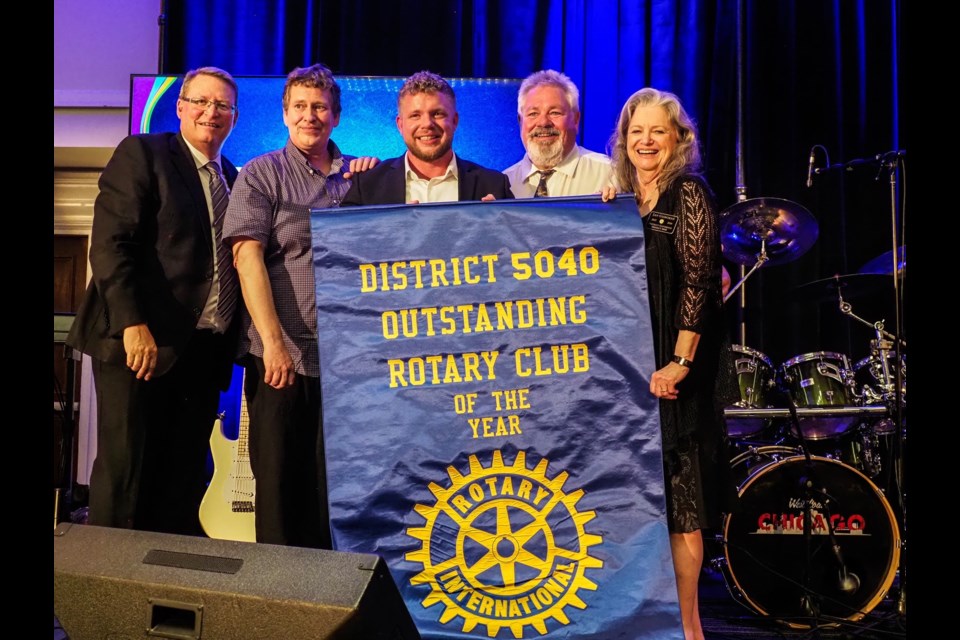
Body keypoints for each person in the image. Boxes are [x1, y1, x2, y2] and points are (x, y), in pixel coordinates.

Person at [66, 67, 241, 536]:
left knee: (182, 479)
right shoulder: (144, 153)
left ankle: (158, 592)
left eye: (222, 105)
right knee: (126, 475)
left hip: (201, 353)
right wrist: (132, 324)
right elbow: (110, 245)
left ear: (235, 117)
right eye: (201, 101)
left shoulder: (231, 176)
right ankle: (104, 597)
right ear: (180, 107)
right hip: (138, 344)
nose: (211, 112)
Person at [602, 88, 738, 640]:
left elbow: (702, 282)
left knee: (682, 503)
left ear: (679, 138)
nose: (646, 141)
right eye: (637, 131)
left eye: (658, 131)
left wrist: (679, 362)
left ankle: (689, 629)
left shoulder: (690, 192)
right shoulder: (622, 198)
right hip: (629, 373)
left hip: (674, 370)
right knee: (637, 497)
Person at [222, 64, 376, 549]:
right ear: (285, 114)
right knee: (279, 492)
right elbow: (246, 257)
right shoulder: (261, 173)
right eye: (301, 107)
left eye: (321, 107)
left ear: (336, 116)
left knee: (338, 494)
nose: (311, 115)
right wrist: (273, 345)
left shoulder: (362, 178)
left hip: (349, 366)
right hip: (280, 360)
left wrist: (382, 182)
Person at [341, 70, 513, 205]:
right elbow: (343, 246)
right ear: (400, 125)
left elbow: (517, 245)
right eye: (415, 115)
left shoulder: (494, 185)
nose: (427, 124)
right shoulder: (367, 185)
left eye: (437, 114)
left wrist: (499, 226)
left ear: (454, 121)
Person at [503, 69, 612, 198]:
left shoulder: (610, 174)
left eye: (555, 113)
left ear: (576, 120)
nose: (543, 122)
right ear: (520, 122)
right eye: (533, 114)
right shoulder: (504, 183)